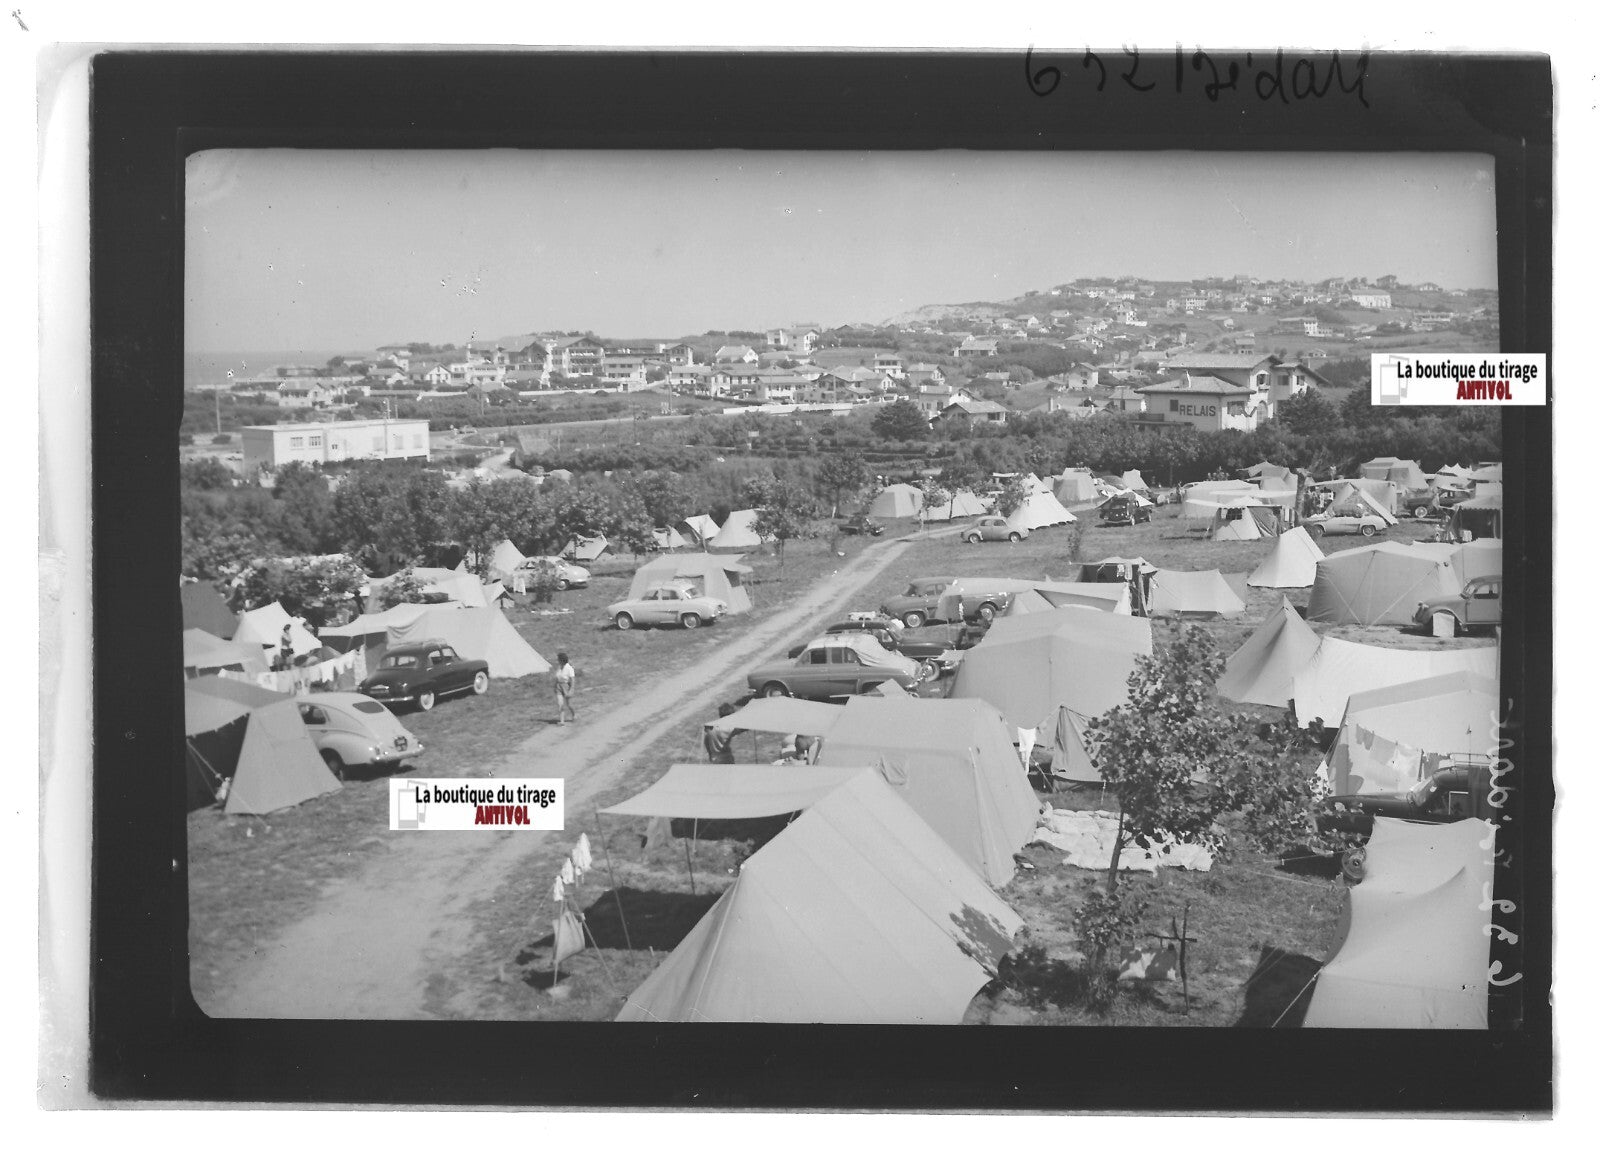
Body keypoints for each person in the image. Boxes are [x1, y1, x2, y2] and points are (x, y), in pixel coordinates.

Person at [553, 651, 577, 724]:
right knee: (560, 704)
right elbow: (557, 678)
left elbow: (572, 679)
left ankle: (574, 714)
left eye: (558, 659)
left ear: (562, 660)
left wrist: (571, 689)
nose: (557, 661)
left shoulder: (569, 668)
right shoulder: (559, 667)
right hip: (558, 687)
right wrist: (554, 686)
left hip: (566, 686)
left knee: (569, 704)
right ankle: (562, 721)